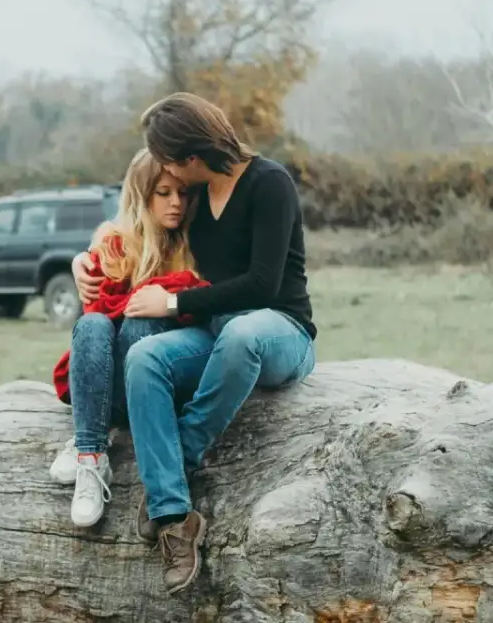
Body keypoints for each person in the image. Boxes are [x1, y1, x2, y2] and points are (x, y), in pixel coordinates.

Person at [71, 92, 318, 596]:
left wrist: (172, 305)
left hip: (278, 330)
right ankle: (173, 517)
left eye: (166, 157)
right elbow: (137, 230)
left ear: (190, 156)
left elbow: (263, 285)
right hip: (214, 330)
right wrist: (85, 261)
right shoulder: (197, 195)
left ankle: (177, 459)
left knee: (242, 332)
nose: (166, 172)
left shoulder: (269, 183)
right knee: (144, 357)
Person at [47, 148, 207, 528]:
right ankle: (91, 456)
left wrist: (165, 300)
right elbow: (95, 316)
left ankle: (89, 435)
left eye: (182, 194)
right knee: (92, 325)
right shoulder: (116, 243)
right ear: (141, 195)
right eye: (163, 192)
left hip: (158, 387)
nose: (175, 203)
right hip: (109, 385)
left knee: (139, 325)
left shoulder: (196, 244)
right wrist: (81, 262)